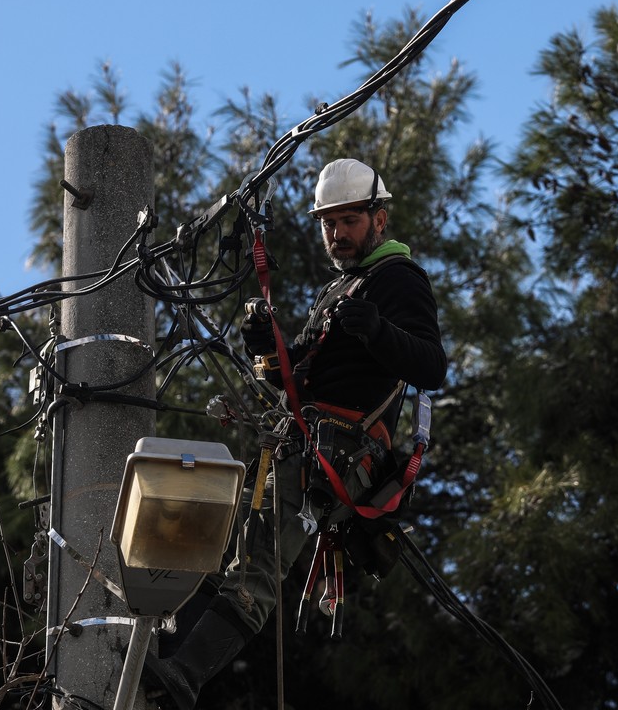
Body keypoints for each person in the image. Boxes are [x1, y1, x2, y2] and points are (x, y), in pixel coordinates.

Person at [144, 158, 448, 708]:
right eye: (328, 223)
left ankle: (184, 673)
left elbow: (430, 366)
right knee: (226, 548)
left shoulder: (396, 278)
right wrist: (267, 345)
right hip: (304, 442)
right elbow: (296, 382)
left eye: (349, 220)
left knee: (257, 565)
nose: (337, 234)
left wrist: (377, 330)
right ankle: (165, 654)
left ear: (380, 220)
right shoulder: (338, 293)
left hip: (340, 452)